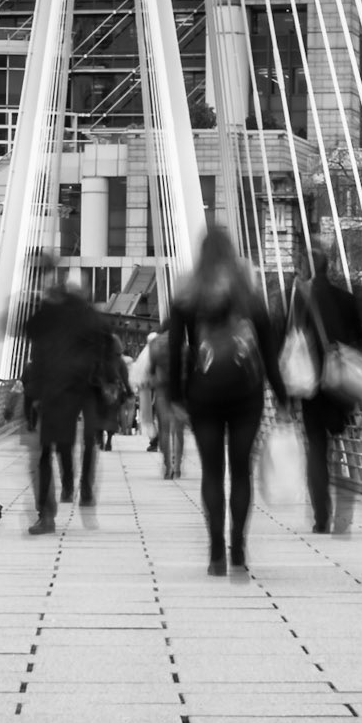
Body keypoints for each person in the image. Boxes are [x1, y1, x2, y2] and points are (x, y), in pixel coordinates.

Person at [169, 225, 286, 576]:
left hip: (203, 392)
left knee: (211, 472)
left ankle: (216, 552)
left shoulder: (188, 294)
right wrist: (282, 396)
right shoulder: (249, 293)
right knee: (240, 471)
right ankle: (239, 549)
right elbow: (268, 351)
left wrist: (176, 396)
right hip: (244, 393)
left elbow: (176, 349)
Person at [23, 271, 112, 533]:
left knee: (49, 449)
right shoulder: (93, 318)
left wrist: (36, 394)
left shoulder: (52, 318)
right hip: (81, 389)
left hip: (61, 390)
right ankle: (81, 489)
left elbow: (37, 352)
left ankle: (48, 513)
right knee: (83, 442)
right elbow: (106, 353)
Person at [288, 249, 362, 535]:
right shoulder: (346, 298)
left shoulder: (300, 299)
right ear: (328, 267)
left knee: (316, 449)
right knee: (346, 446)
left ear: (304, 269)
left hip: (311, 386)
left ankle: (321, 516)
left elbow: (290, 341)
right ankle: (344, 514)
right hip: (342, 384)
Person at [131, 326, 184, 477]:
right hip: (179, 390)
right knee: (178, 430)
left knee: (165, 429)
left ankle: (167, 466)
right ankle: (177, 466)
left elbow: (151, 370)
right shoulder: (182, 345)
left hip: (162, 389)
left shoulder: (155, 346)